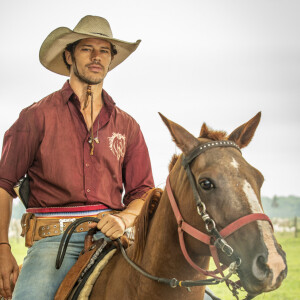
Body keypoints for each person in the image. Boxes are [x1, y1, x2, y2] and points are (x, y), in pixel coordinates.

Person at [0, 15, 154, 299]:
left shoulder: (128, 126)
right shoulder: (36, 117)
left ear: (110, 59)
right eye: (87, 49)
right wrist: (2, 248)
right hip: (51, 244)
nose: (97, 57)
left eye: (104, 50)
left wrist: (124, 219)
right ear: (69, 55)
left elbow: (143, 192)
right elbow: (3, 184)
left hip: (113, 240)